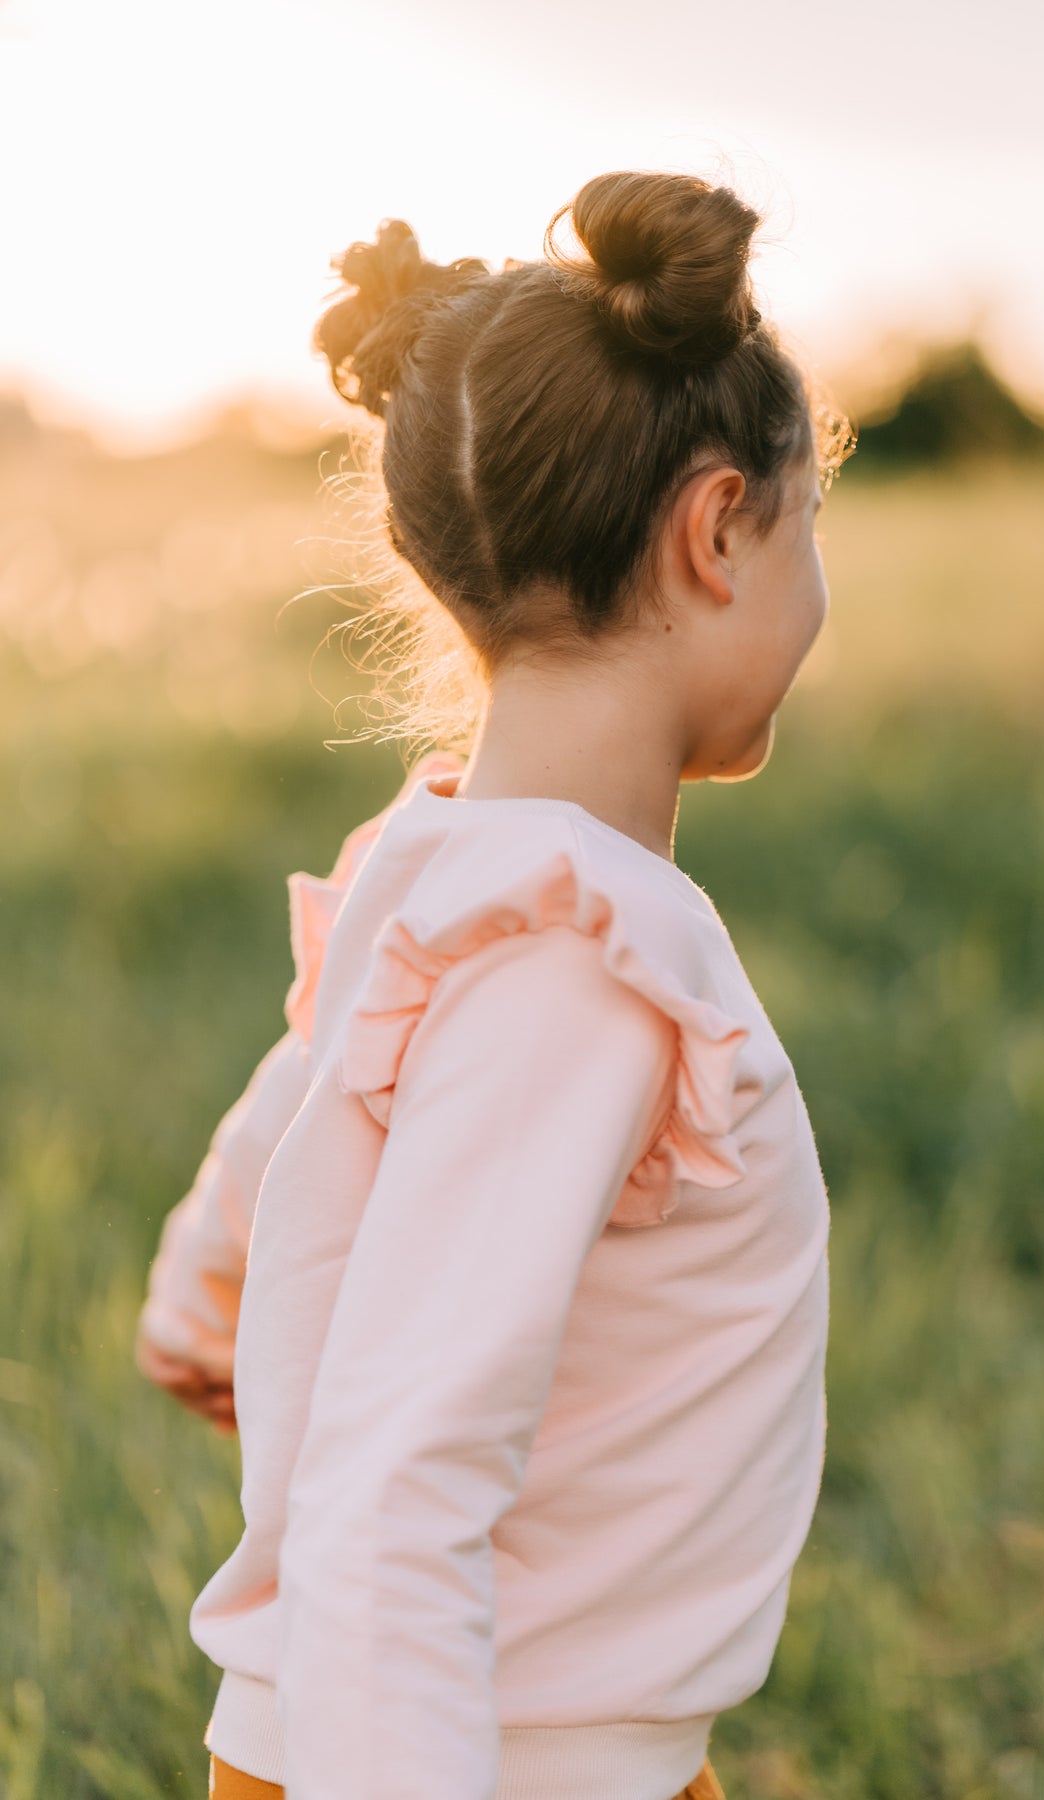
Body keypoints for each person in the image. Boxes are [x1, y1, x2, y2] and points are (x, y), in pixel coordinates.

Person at [135, 166, 844, 1800]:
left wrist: (211, 1270)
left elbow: (312, 1075)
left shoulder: (444, 864)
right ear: (715, 532)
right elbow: (399, 1488)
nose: (820, 588)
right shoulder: (578, 960)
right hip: (486, 1761)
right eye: (815, 523)